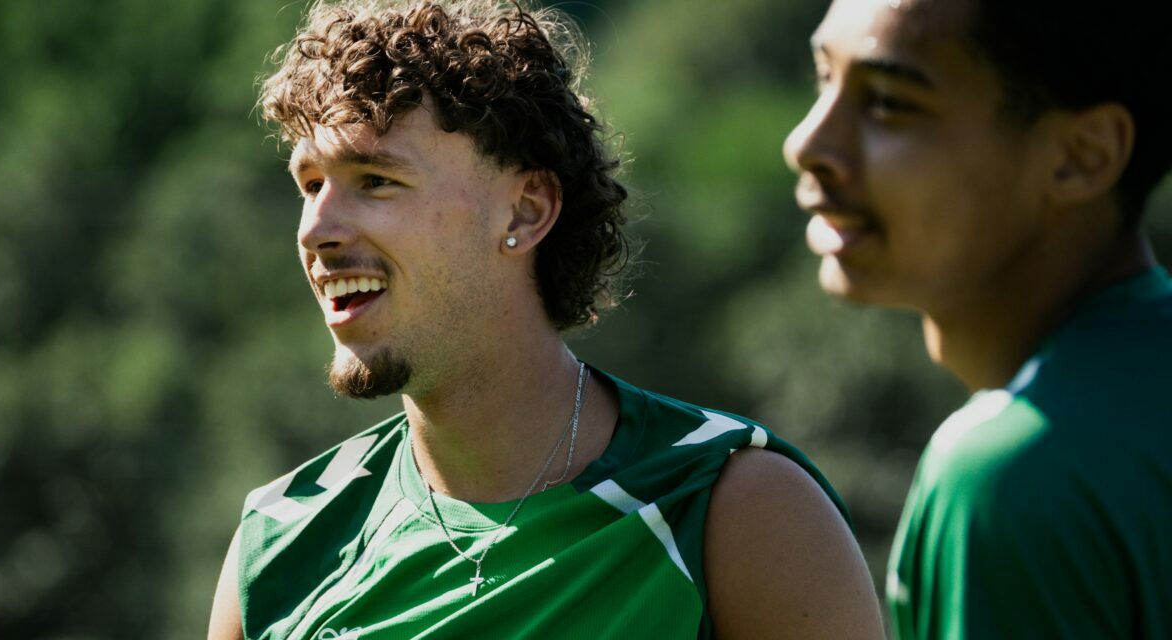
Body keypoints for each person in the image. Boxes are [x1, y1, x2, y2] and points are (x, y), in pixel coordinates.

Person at [208, 1, 883, 638]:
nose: (317, 229)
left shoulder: (731, 506)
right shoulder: (280, 544)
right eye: (311, 185)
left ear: (526, 210)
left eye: (376, 180)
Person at [784, 0, 1172, 637]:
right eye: (824, 78)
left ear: (1082, 155)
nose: (807, 145)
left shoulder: (1014, 476)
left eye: (888, 102)